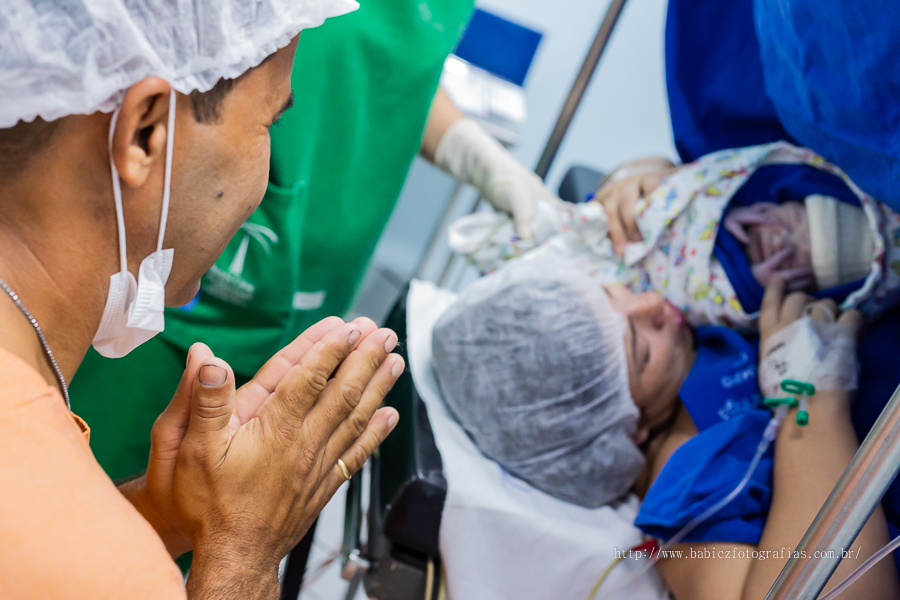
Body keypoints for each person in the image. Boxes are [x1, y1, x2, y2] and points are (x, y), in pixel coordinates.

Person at [0, 1, 406, 597]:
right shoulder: (103, 575)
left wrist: (157, 517)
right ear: (145, 130)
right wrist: (243, 552)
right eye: (270, 124)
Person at [70, 0, 558, 484]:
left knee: (228, 486)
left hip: (322, 261)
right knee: (97, 478)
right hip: (194, 267)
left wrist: (477, 156)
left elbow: (396, 67)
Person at [430, 258, 899, 598]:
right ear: (618, 428)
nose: (654, 303)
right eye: (640, 350)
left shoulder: (688, 323)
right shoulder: (682, 487)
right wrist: (812, 404)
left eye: (615, 293)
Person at [449, 141, 900, 331]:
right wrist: (645, 172)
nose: (781, 241)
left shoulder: (742, 299)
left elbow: (739, 304)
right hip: (609, 231)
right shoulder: (738, 185)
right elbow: (687, 179)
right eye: (794, 222)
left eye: (799, 259)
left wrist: (761, 280)